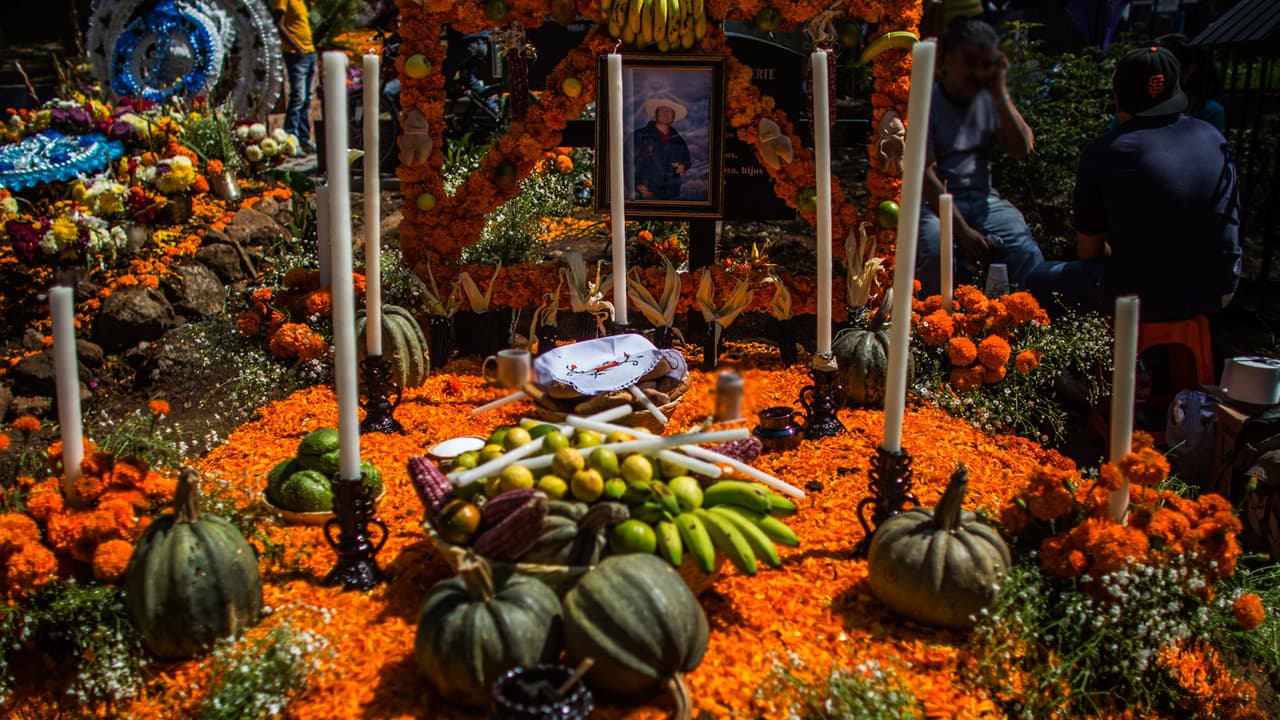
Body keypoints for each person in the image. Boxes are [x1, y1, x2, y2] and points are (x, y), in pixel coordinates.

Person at [1026, 46, 1241, 321]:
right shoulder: (1213, 136)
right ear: (1178, 93)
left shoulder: (1106, 150)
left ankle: (1093, 349)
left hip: (1140, 295)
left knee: (1039, 278)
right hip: (1220, 288)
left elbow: (1089, 251)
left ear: (1117, 99)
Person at [915, 19, 1044, 298]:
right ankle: (931, 319)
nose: (977, 73)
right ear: (949, 61)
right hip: (934, 204)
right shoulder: (928, 104)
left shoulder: (989, 100)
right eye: (970, 63)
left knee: (1025, 250)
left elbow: (1022, 148)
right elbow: (924, 174)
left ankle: (1027, 316)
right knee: (937, 251)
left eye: (985, 65)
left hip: (985, 199)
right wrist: (961, 230)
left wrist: (1001, 93)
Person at [271, 0, 316, 154]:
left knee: (306, 99)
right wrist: (296, 47)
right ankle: (291, 140)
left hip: (309, 52)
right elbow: (278, 24)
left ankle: (304, 138)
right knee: (298, 97)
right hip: (295, 54)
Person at [632, 97, 692, 201]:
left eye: (670, 111)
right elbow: (625, 161)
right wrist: (635, 184)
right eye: (662, 110)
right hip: (645, 193)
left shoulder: (679, 141)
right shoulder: (639, 136)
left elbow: (686, 160)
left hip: (671, 194)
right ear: (655, 115)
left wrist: (684, 166)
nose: (666, 113)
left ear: (673, 118)